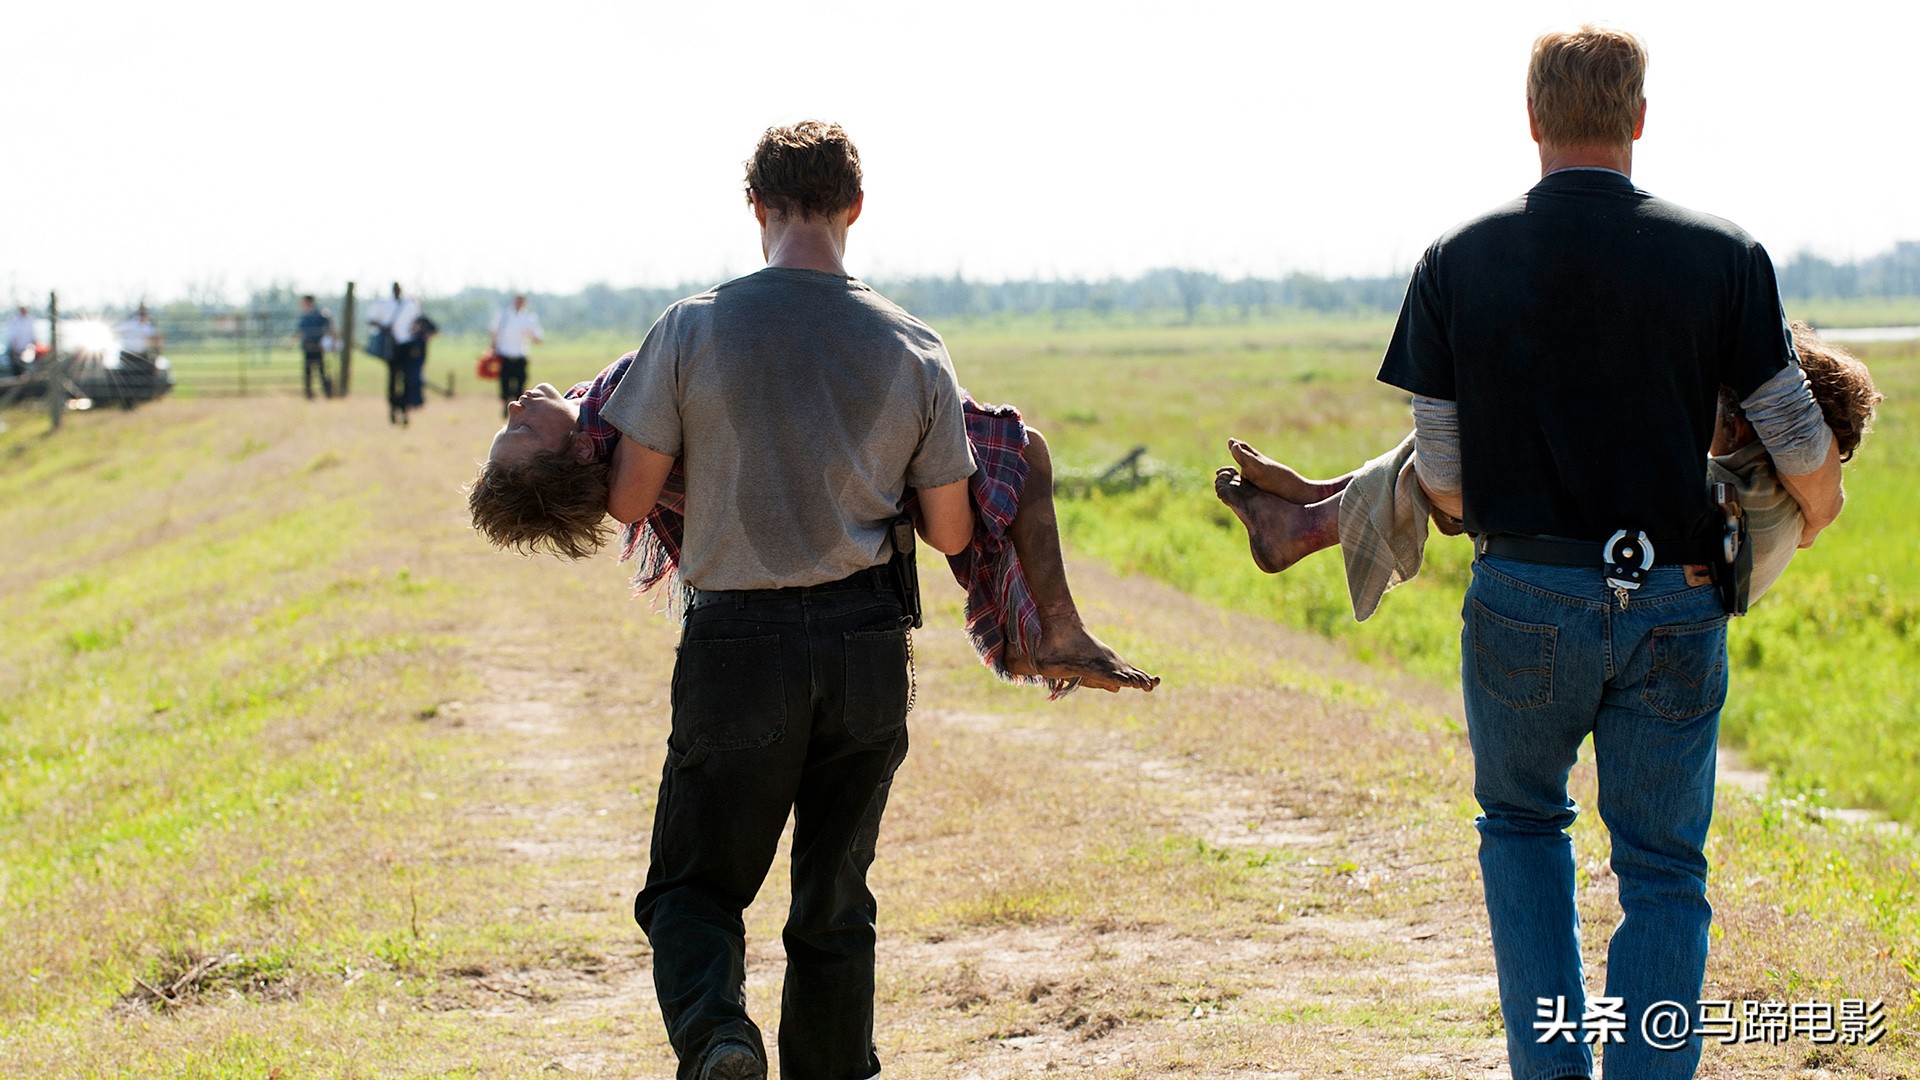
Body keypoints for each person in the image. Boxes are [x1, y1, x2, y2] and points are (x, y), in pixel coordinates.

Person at [472, 120, 1150, 1080]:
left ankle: (719, 1040)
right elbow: (954, 534)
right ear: (855, 209)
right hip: (866, 647)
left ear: (757, 209)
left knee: (695, 890)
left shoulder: (691, 327)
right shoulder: (916, 345)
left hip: (738, 649)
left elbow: (627, 498)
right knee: (834, 899)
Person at [1249, 28, 1842, 1080]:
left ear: (1532, 120)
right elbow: (1806, 456)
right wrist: (1811, 510)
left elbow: (1447, 483)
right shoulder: (1726, 254)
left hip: (1525, 591)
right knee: (1663, 866)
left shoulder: (1454, 261)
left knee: (1523, 828)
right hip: (1676, 591)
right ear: (1639, 119)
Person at [467, 367, 1157, 694]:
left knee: (978, 490)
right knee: (1021, 448)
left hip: (804, 492)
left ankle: (1041, 633)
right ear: (578, 453)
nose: (515, 404)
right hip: (829, 449)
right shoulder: (616, 419)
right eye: (521, 430)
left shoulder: (603, 426)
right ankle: (1047, 629)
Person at [1215, 321, 1880, 616]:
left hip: (1639, 581)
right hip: (1651, 572)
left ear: (1745, 422)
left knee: (1495, 434)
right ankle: (1318, 506)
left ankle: (1314, 516)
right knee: (1472, 445)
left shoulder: (1748, 477)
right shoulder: (1798, 495)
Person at [369, 283, 430, 425]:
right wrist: (383, 328)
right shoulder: (384, 304)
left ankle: (404, 409)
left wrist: (416, 331)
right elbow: (371, 319)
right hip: (391, 346)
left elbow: (418, 321)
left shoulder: (410, 305)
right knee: (393, 379)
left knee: (407, 379)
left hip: (407, 346)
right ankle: (393, 407)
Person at [489, 293, 544, 417]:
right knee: (505, 384)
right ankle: (505, 406)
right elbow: (493, 333)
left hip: (520, 356)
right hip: (504, 355)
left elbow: (538, 339)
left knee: (520, 384)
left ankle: (517, 409)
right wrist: (492, 349)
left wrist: (530, 334)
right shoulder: (503, 316)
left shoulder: (529, 318)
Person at [296, 295, 335, 400]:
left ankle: (327, 392)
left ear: (310, 302)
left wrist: (333, 340)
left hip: (318, 346)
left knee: (321, 371)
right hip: (307, 346)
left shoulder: (319, 314)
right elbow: (300, 331)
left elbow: (329, 326)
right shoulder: (304, 316)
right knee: (308, 371)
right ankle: (309, 393)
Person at [4, 305, 35, 376]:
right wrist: (14, 350)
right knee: (17, 369)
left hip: (27, 349)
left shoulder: (29, 321)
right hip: (17, 350)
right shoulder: (15, 322)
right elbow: (12, 337)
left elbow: (32, 335)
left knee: (26, 368)